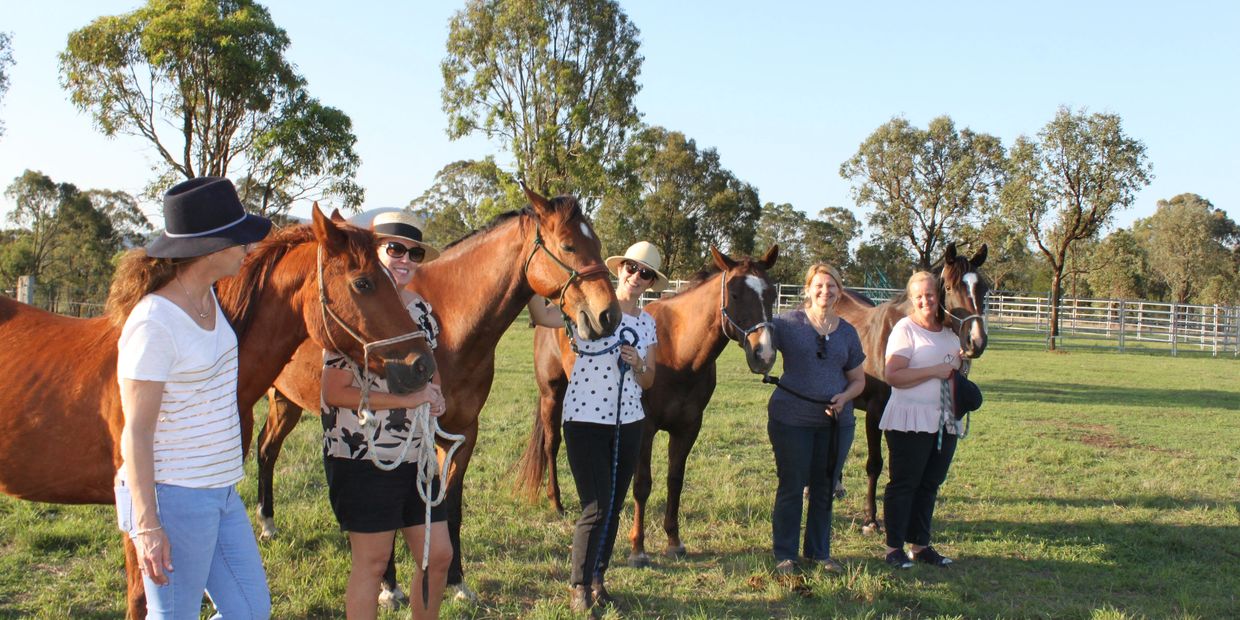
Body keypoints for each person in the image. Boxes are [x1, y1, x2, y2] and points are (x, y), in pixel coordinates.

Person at [110, 176, 273, 619]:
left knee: (251, 611)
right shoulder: (154, 323)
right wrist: (147, 526)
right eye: (240, 238)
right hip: (174, 494)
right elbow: (137, 432)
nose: (248, 247)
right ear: (210, 247)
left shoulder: (209, 300)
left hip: (220, 491)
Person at [319, 211, 451, 619]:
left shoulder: (422, 311)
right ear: (374, 252)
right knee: (373, 563)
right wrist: (405, 402)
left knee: (439, 555)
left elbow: (430, 366)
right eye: (395, 249)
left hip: (417, 454)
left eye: (414, 253)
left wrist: (436, 396)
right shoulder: (354, 298)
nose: (405, 259)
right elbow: (333, 390)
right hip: (362, 453)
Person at [528, 241, 665, 612]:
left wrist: (638, 362)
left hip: (629, 422)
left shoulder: (647, 322)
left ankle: (597, 580)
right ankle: (578, 587)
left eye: (645, 273)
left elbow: (649, 380)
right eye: (632, 268)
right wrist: (535, 274)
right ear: (619, 269)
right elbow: (542, 314)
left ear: (651, 283)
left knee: (614, 506)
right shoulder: (586, 305)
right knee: (595, 506)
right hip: (585, 420)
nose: (636, 277)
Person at [765, 263, 866, 575]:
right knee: (792, 486)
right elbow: (758, 345)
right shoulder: (785, 324)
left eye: (831, 286)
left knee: (825, 488)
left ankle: (819, 553)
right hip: (791, 420)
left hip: (836, 424)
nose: (825, 291)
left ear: (839, 290)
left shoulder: (847, 332)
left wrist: (845, 398)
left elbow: (858, 380)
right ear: (807, 289)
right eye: (819, 286)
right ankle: (785, 554)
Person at [879, 270, 964, 569]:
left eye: (930, 294)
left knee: (930, 483)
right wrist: (932, 371)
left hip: (944, 420)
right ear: (912, 300)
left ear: (938, 295)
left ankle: (920, 544)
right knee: (904, 483)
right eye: (919, 297)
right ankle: (893, 548)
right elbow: (894, 375)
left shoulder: (951, 332)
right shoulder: (905, 329)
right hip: (909, 420)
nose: (925, 300)